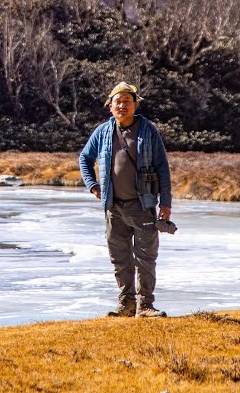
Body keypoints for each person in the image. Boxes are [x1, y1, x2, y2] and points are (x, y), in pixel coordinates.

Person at [79, 81, 173, 318]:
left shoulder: (148, 130)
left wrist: (166, 204)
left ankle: (146, 305)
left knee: (145, 259)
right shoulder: (102, 132)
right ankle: (126, 305)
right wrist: (93, 186)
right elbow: (85, 158)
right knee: (120, 259)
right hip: (113, 207)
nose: (122, 106)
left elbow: (163, 167)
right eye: (117, 102)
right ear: (110, 106)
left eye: (127, 102)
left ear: (135, 105)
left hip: (143, 206)